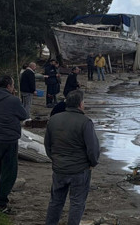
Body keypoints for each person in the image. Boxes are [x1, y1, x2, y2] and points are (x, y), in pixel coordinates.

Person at [44, 90, 100, 225]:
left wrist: (55, 159)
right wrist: (92, 163)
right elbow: (92, 148)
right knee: (77, 202)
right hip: (79, 170)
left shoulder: (53, 120)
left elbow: (47, 145)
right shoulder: (85, 122)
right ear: (80, 104)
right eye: (83, 102)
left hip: (59, 168)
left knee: (56, 201)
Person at [0, 75, 28, 214]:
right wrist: (15, 98)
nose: (14, 87)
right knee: (8, 173)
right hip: (8, 140)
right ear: (9, 86)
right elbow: (24, 115)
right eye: (13, 85)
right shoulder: (13, 100)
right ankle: (2, 203)